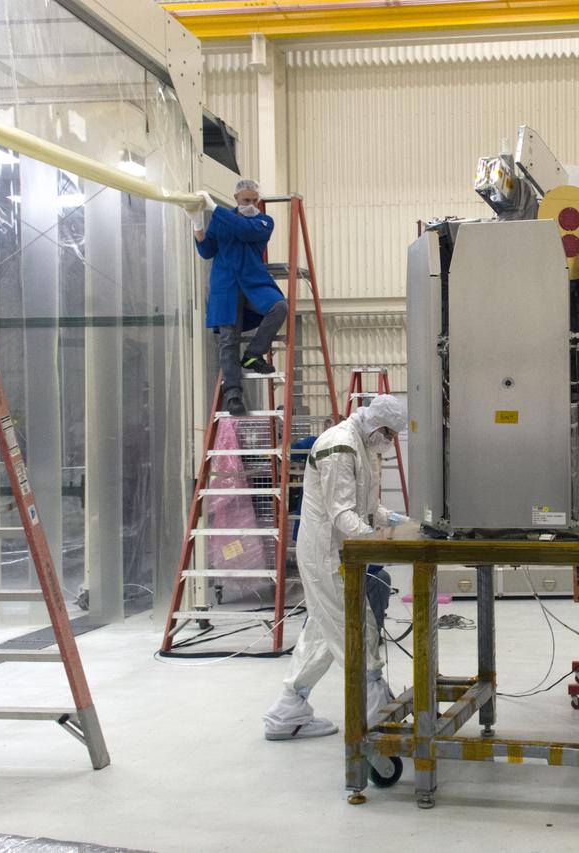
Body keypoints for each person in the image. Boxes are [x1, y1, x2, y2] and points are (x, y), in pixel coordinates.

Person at [263, 394, 409, 740]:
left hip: (336, 555)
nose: (388, 442)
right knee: (359, 627)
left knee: (320, 636)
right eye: (387, 433)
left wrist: (406, 522)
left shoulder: (361, 446)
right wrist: (380, 541)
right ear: (376, 423)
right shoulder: (341, 446)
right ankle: (375, 721)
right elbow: (342, 514)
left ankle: (287, 713)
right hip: (326, 557)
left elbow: (369, 507)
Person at [187, 179, 287, 418]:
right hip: (226, 286)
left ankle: (253, 354)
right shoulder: (221, 220)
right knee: (228, 340)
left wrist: (213, 208)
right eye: (246, 201)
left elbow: (244, 230)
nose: (251, 204)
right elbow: (207, 251)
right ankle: (233, 394)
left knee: (279, 306)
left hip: (254, 283)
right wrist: (197, 224)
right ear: (236, 199)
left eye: (254, 200)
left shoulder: (263, 222)